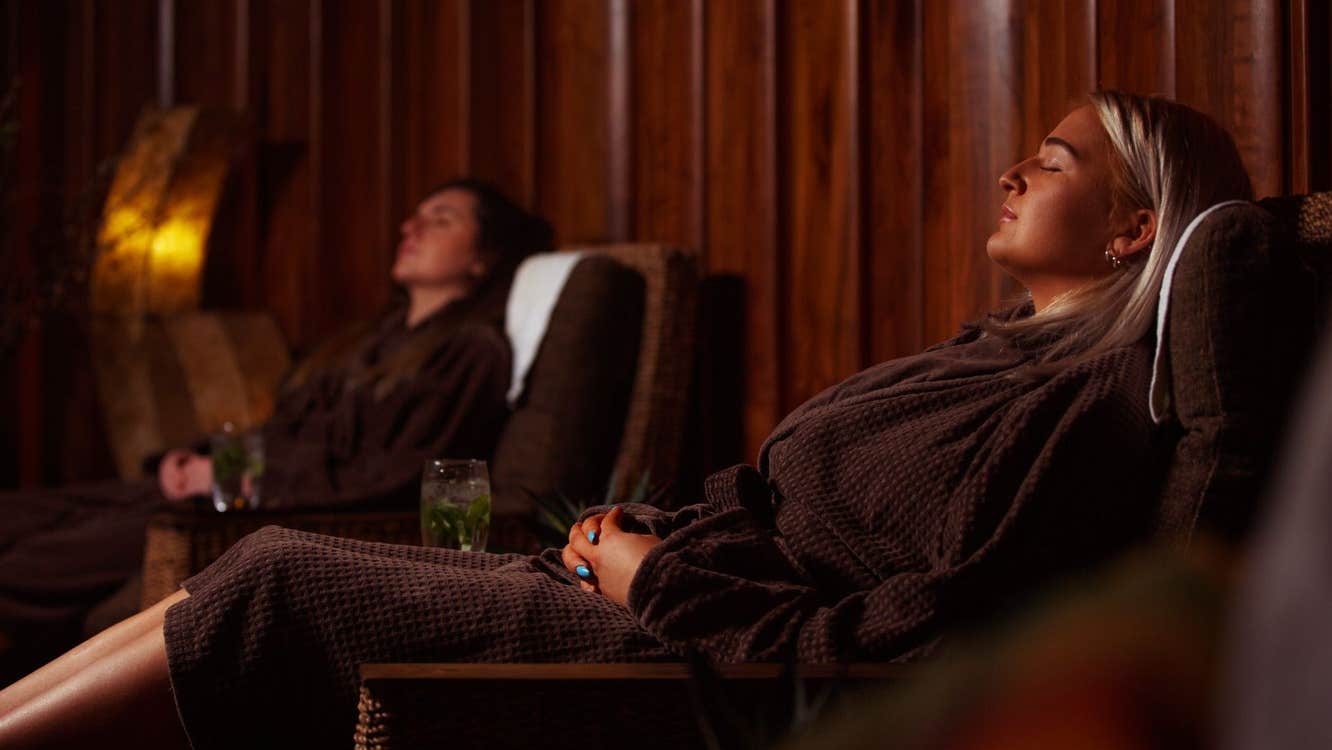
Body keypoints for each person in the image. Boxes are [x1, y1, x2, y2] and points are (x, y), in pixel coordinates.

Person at [0, 92, 1254, 749]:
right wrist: (633, 534)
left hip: (691, 650)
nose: (1011, 173)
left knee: (272, 579)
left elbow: (916, 641)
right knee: (205, 595)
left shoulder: (1075, 409)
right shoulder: (982, 357)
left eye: (1052, 160)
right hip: (636, 585)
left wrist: (658, 580)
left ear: (1136, 225)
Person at [0, 178, 552, 684]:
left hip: (263, 512)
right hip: (217, 491)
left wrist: (235, 481)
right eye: (413, 217)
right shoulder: (361, 341)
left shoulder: (470, 352)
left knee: (25, 568)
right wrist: (192, 459)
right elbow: (278, 431)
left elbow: (391, 475)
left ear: (484, 256)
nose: (410, 228)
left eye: (442, 218)